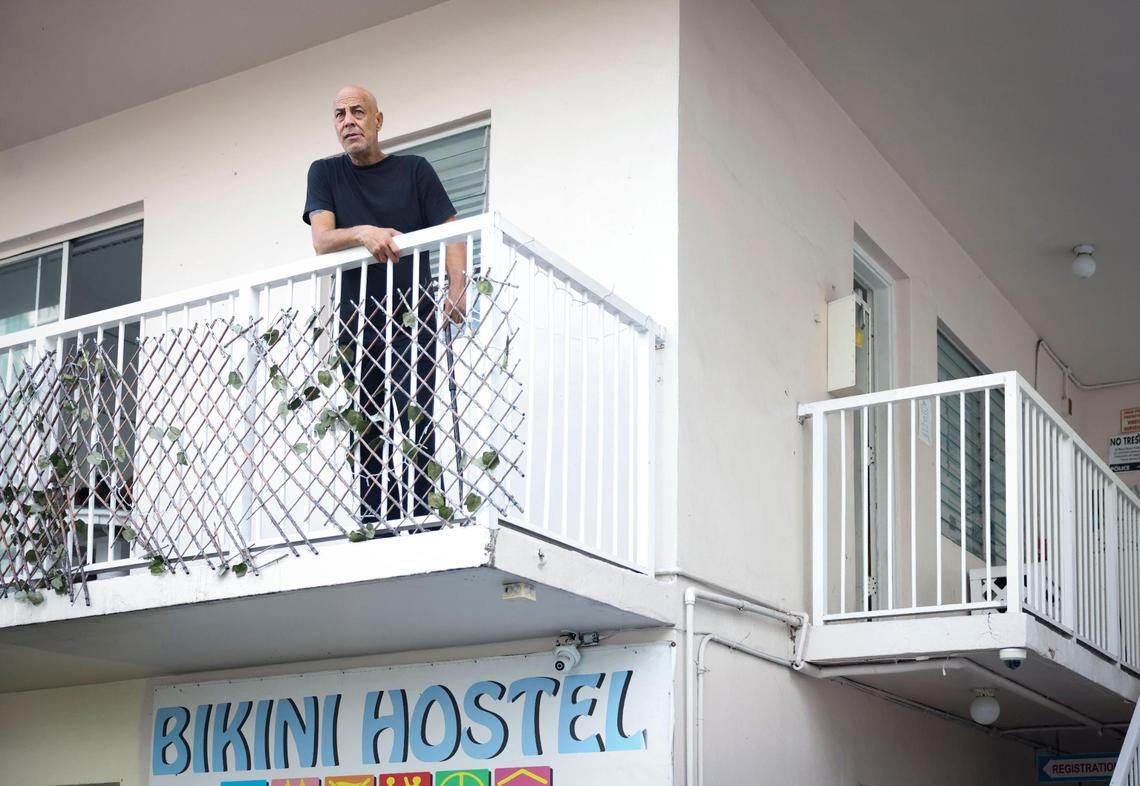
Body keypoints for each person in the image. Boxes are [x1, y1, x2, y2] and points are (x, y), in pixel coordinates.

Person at [303, 85, 466, 523]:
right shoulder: (324, 173)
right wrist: (364, 232)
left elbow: (451, 229)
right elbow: (322, 241)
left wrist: (458, 291)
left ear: (378, 120)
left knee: (417, 415)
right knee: (369, 420)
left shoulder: (414, 170)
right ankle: (376, 516)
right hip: (358, 319)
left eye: (358, 112)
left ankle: (421, 512)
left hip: (414, 314)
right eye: (339, 114)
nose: (348, 121)